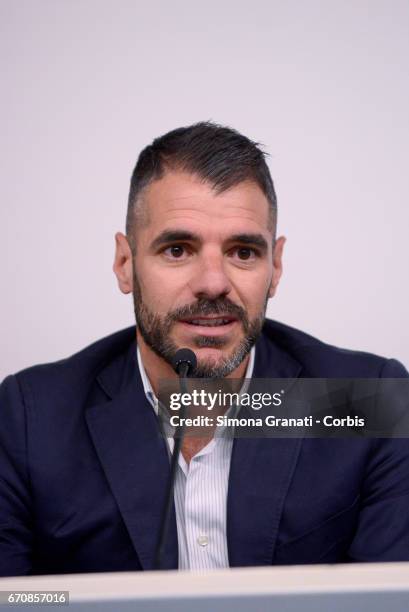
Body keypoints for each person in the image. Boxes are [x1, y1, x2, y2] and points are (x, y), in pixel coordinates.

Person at [0, 122, 408, 577]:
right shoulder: (30, 419)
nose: (213, 282)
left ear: (275, 266)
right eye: (178, 250)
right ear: (125, 264)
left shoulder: (369, 401)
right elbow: (16, 599)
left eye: (243, 252)